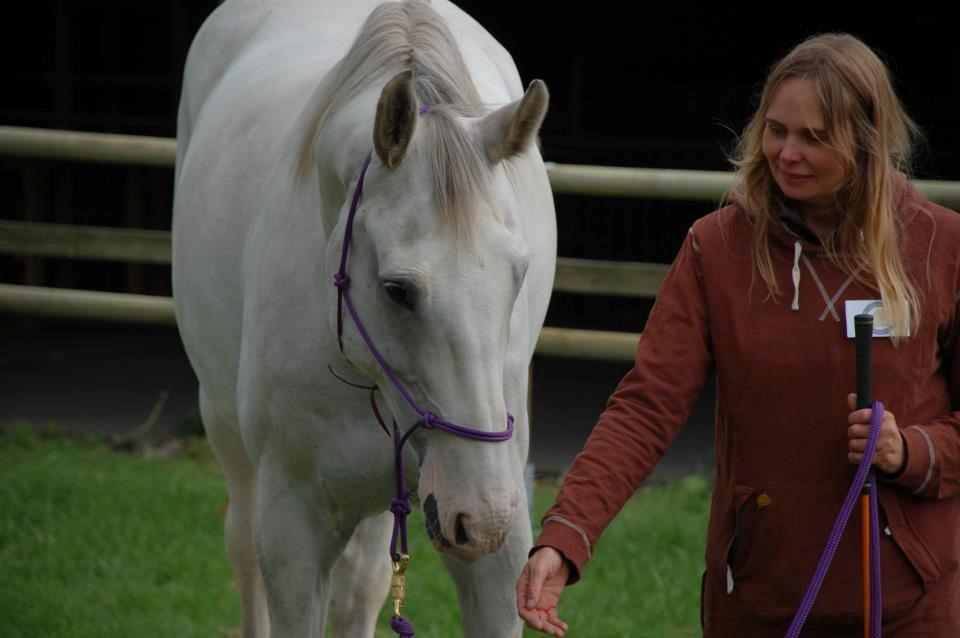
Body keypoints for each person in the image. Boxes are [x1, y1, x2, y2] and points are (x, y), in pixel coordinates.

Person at [517, 32, 960, 637]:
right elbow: (646, 408)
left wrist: (911, 451)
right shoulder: (716, 248)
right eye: (776, 130)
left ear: (866, 140)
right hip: (757, 599)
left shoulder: (941, 247)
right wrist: (566, 535)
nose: (787, 153)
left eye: (813, 138)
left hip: (912, 606)